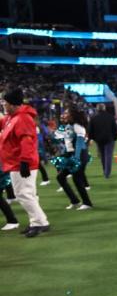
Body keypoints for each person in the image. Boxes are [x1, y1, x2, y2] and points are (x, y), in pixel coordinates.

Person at [0, 88, 49, 237]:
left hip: (20, 162)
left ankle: (40, 223)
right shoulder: (11, 117)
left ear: (14, 104)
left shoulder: (22, 118)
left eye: (5, 103)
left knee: (23, 194)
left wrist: (25, 162)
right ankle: (37, 222)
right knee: (29, 194)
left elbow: (27, 141)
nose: (3, 105)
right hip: (14, 161)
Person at [53, 106, 93, 210]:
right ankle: (75, 200)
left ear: (72, 115)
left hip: (79, 155)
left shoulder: (77, 126)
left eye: (66, 113)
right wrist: (60, 123)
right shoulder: (68, 126)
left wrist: (76, 157)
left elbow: (80, 143)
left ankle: (87, 203)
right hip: (71, 154)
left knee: (77, 178)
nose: (64, 115)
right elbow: (56, 137)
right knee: (61, 177)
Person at [88, 104, 117, 179]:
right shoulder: (110, 117)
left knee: (103, 156)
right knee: (108, 156)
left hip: (99, 140)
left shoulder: (93, 118)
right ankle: (107, 173)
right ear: (104, 108)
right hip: (109, 139)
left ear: (97, 109)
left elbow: (90, 130)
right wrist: (115, 138)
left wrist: (92, 138)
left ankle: (105, 170)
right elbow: (115, 129)